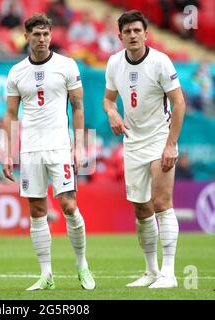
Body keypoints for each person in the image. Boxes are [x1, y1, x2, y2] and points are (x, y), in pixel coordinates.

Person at [3, 13, 95, 291]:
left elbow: (78, 107)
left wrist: (79, 147)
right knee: (37, 211)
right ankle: (46, 275)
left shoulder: (66, 65)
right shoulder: (16, 72)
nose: (42, 39)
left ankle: (82, 265)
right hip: (30, 149)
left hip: (59, 146)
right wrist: (8, 152)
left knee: (68, 206)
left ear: (51, 35)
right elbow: (10, 113)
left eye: (46, 34)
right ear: (26, 36)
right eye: (36, 34)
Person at [103, 10, 185, 289]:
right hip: (132, 142)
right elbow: (108, 100)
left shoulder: (160, 62)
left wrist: (172, 143)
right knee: (141, 209)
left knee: (162, 203)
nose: (133, 35)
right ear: (120, 36)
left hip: (160, 138)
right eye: (128, 32)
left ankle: (169, 273)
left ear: (146, 34)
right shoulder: (114, 63)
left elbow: (179, 103)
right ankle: (150, 271)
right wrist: (112, 113)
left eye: (137, 30)